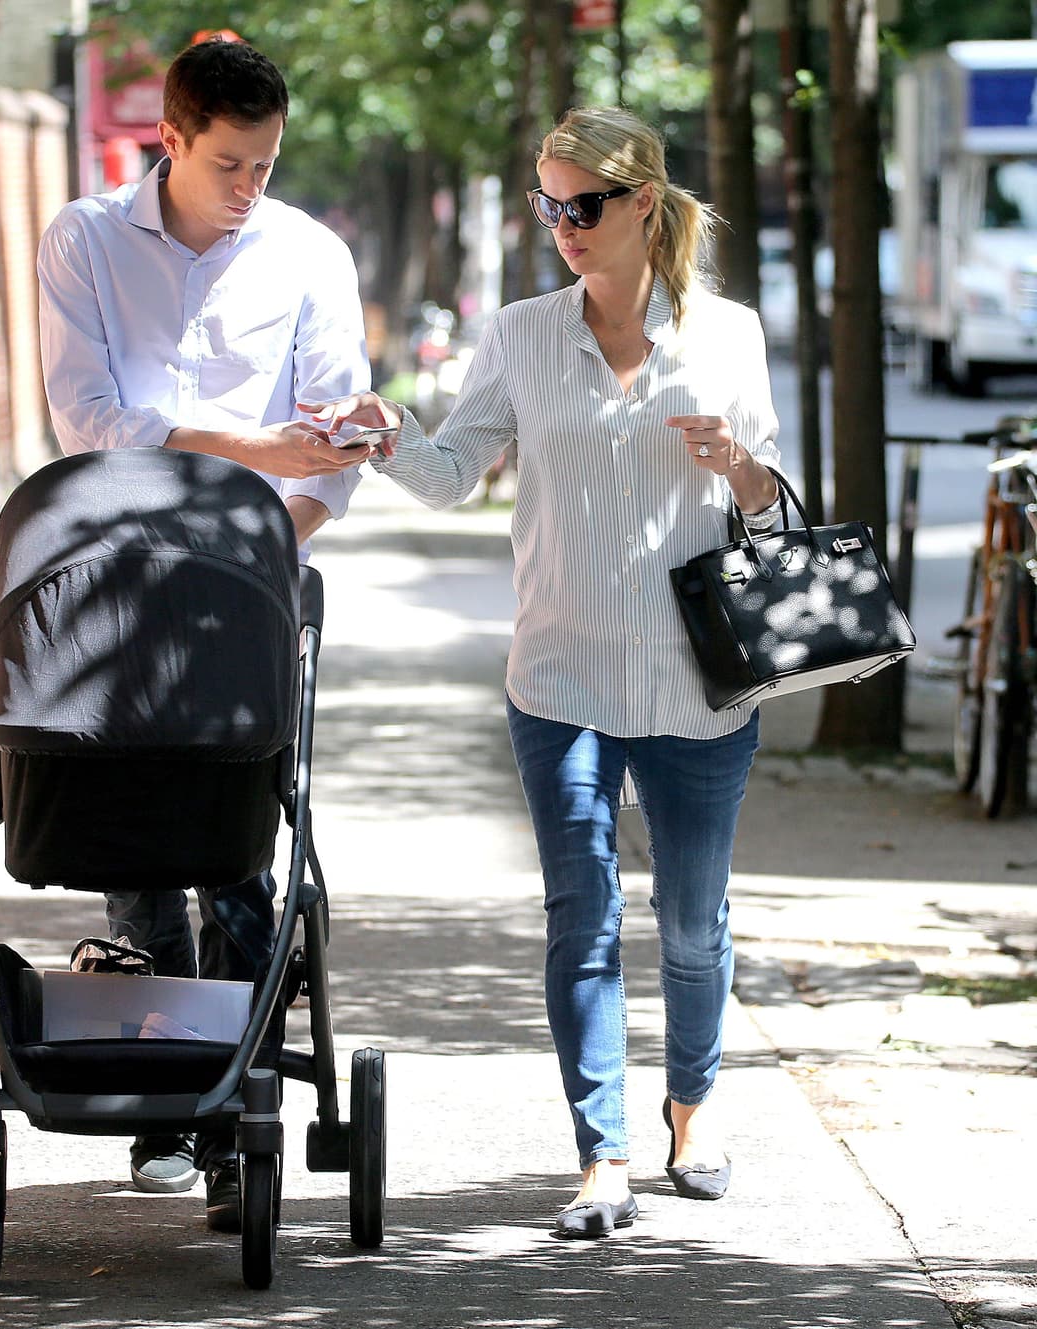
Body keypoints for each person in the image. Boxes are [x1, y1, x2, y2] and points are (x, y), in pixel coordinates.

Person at [305, 106, 782, 1238]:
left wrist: (737, 467)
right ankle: (601, 1154)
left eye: (583, 205)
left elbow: (774, 510)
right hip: (558, 677)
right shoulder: (521, 334)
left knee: (690, 921)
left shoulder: (726, 335)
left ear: (642, 205)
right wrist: (383, 433)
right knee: (581, 919)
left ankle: (692, 1106)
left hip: (696, 686)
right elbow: (452, 471)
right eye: (546, 205)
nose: (562, 226)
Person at [36, 36, 374, 1227]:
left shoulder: (308, 256)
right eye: (229, 162)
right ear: (167, 140)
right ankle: (156, 1097)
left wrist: (316, 473)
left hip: (250, 588)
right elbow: (89, 421)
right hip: (112, 582)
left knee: (234, 838)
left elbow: (330, 457)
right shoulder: (84, 240)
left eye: (267, 164)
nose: (249, 189)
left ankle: (232, 1106)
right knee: (132, 831)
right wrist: (253, 446)